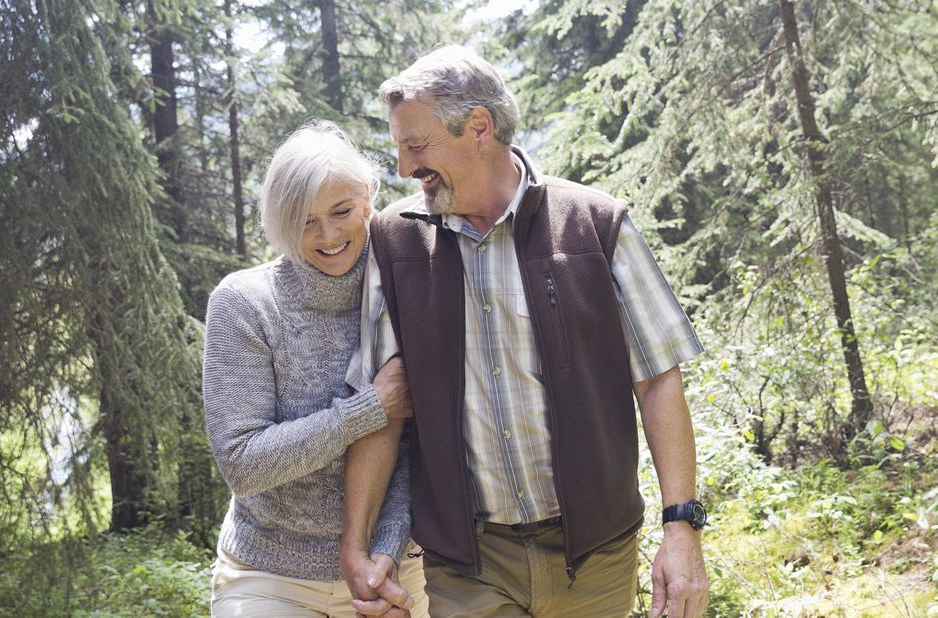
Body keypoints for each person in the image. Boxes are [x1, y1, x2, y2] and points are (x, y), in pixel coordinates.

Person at [344, 46, 710, 617]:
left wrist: (681, 526)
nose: (402, 167)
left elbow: (659, 378)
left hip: (596, 556)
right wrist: (358, 544)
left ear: (479, 128)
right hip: (468, 565)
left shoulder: (594, 223)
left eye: (415, 145)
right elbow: (383, 409)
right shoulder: (393, 245)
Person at [203, 120, 429, 617]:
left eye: (341, 211)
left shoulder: (405, 288)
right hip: (268, 574)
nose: (327, 235)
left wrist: (382, 555)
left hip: (394, 563)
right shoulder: (245, 304)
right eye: (305, 220)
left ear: (367, 197)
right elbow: (242, 462)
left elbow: (417, 450)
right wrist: (367, 409)